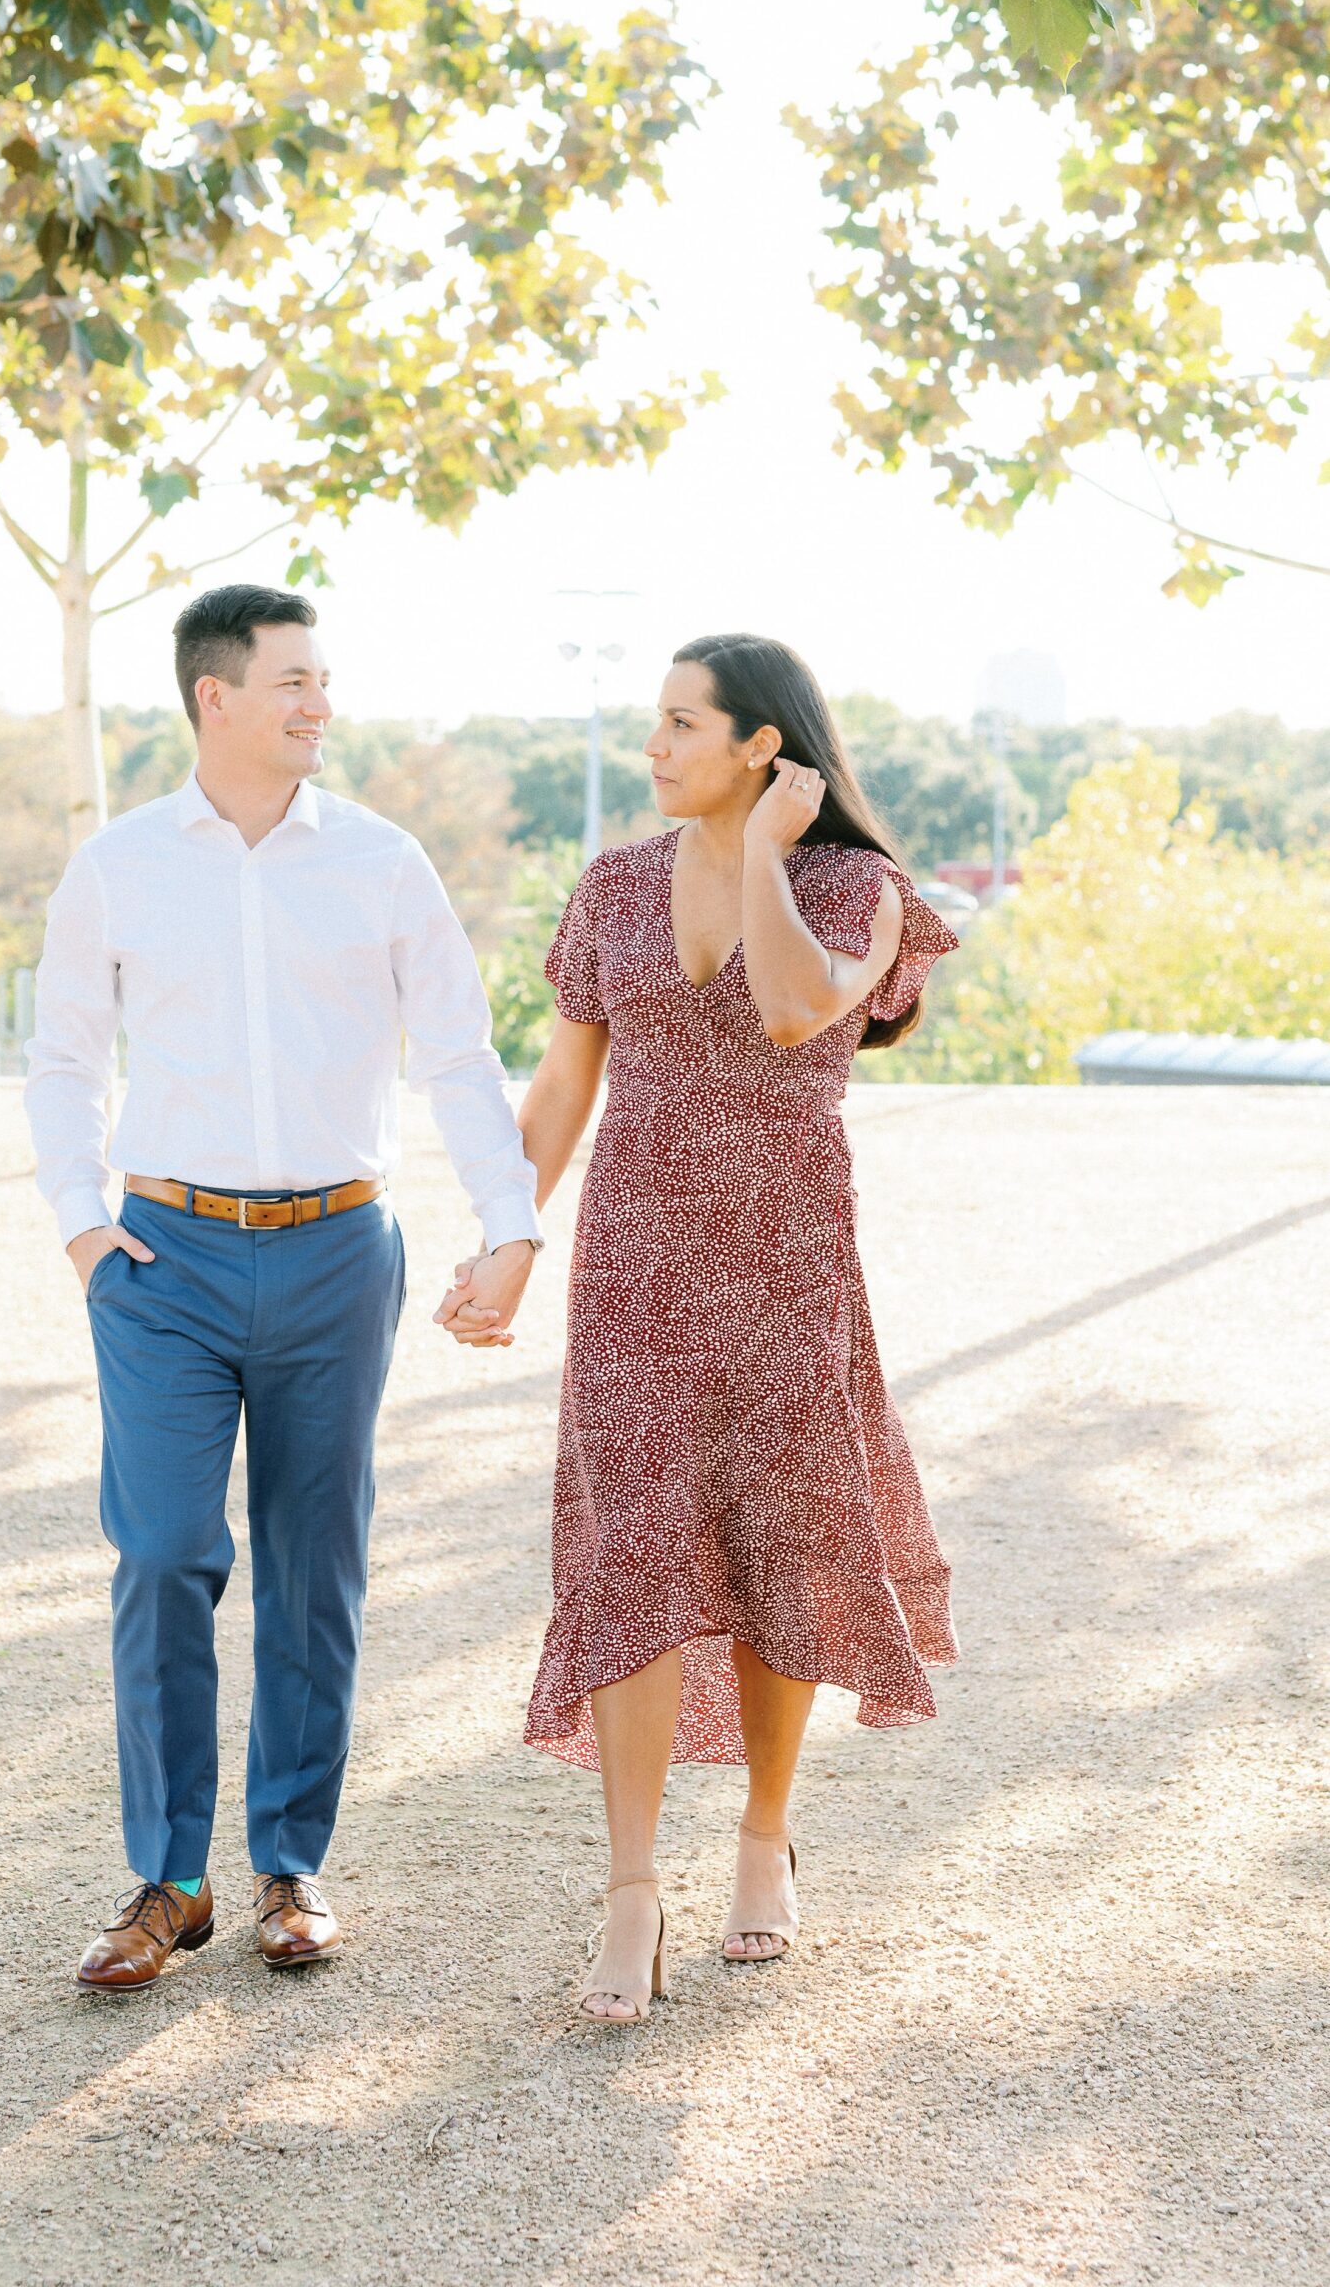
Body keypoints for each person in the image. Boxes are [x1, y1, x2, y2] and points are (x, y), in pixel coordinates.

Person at [438, 632, 960, 2023]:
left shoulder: (861, 890)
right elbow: (559, 1092)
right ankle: (627, 1892)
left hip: (786, 1262)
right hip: (634, 1270)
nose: (655, 747)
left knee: (775, 1541)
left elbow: (794, 1011)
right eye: (653, 722)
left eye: (682, 724)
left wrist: (770, 856)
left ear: (761, 747)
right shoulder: (609, 887)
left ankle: (762, 1836)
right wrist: (506, 1240)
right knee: (634, 1554)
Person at [25, 581, 540, 1989]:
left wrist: (514, 1221)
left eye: (325, 680)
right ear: (217, 698)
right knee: (166, 1553)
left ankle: (290, 1864)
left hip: (334, 1252)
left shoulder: (381, 863)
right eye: (295, 681)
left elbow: (456, 1055)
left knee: (316, 1568)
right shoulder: (120, 866)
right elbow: (64, 1057)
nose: (322, 703)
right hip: (164, 1260)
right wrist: (84, 1229)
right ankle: (168, 1881)